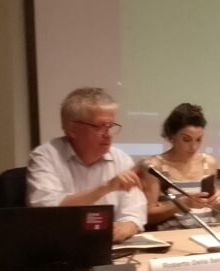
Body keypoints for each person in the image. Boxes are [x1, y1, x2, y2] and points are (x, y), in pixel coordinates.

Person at [26, 87, 146, 242]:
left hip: (110, 247)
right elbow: (46, 211)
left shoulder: (121, 159)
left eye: (110, 126)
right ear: (72, 129)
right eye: (100, 126)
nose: (108, 134)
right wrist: (105, 188)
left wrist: (125, 227)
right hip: (59, 246)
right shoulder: (46, 156)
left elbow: (135, 212)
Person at [139, 103, 220, 230]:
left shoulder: (208, 162)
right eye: (186, 139)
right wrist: (183, 203)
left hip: (206, 233)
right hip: (172, 235)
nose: (194, 147)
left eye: (199, 139)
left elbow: (210, 212)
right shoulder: (155, 166)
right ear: (172, 136)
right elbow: (147, 216)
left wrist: (218, 201)